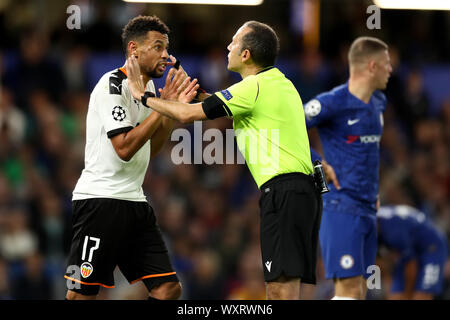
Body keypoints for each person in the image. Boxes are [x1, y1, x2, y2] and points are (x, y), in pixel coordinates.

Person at [126, 20, 322, 300]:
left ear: (246, 55)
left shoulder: (253, 87)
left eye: (234, 42)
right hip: (302, 193)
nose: (228, 46)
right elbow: (215, 103)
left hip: (283, 192)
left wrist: (142, 97)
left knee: (279, 290)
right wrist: (188, 84)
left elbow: (186, 115)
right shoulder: (279, 84)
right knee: (285, 288)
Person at [64, 15, 196, 300]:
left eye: (167, 48)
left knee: (168, 288)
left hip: (134, 202)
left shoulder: (147, 90)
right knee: (80, 294)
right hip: (99, 203)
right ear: (134, 49)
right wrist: (161, 109)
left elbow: (152, 147)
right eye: (158, 47)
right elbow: (124, 148)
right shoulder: (112, 85)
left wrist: (169, 110)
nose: (166, 55)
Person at [303, 36, 392, 300]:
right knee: (348, 291)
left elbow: (366, 153)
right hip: (341, 207)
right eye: (387, 63)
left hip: (367, 209)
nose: (391, 69)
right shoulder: (332, 102)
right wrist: (318, 166)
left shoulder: (378, 103)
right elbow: (290, 128)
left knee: (361, 291)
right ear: (372, 66)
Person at [377, 205, 448, 300]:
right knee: (396, 296)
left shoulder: (393, 231)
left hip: (431, 248)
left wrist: (408, 294)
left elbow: (411, 265)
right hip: (410, 249)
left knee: (422, 295)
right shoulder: (377, 219)